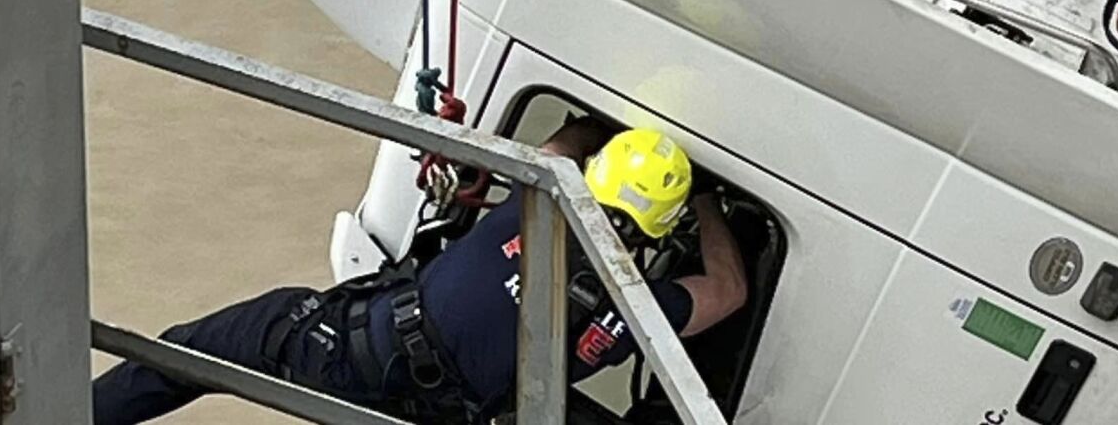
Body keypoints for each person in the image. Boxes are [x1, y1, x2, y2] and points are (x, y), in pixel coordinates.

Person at [92, 118, 748, 423]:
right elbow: (729, 289)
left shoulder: (534, 203)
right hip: (424, 415)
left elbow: (561, 143)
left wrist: (595, 130)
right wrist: (708, 205)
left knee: (183, 356)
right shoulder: (637, 307)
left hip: (342, 353)